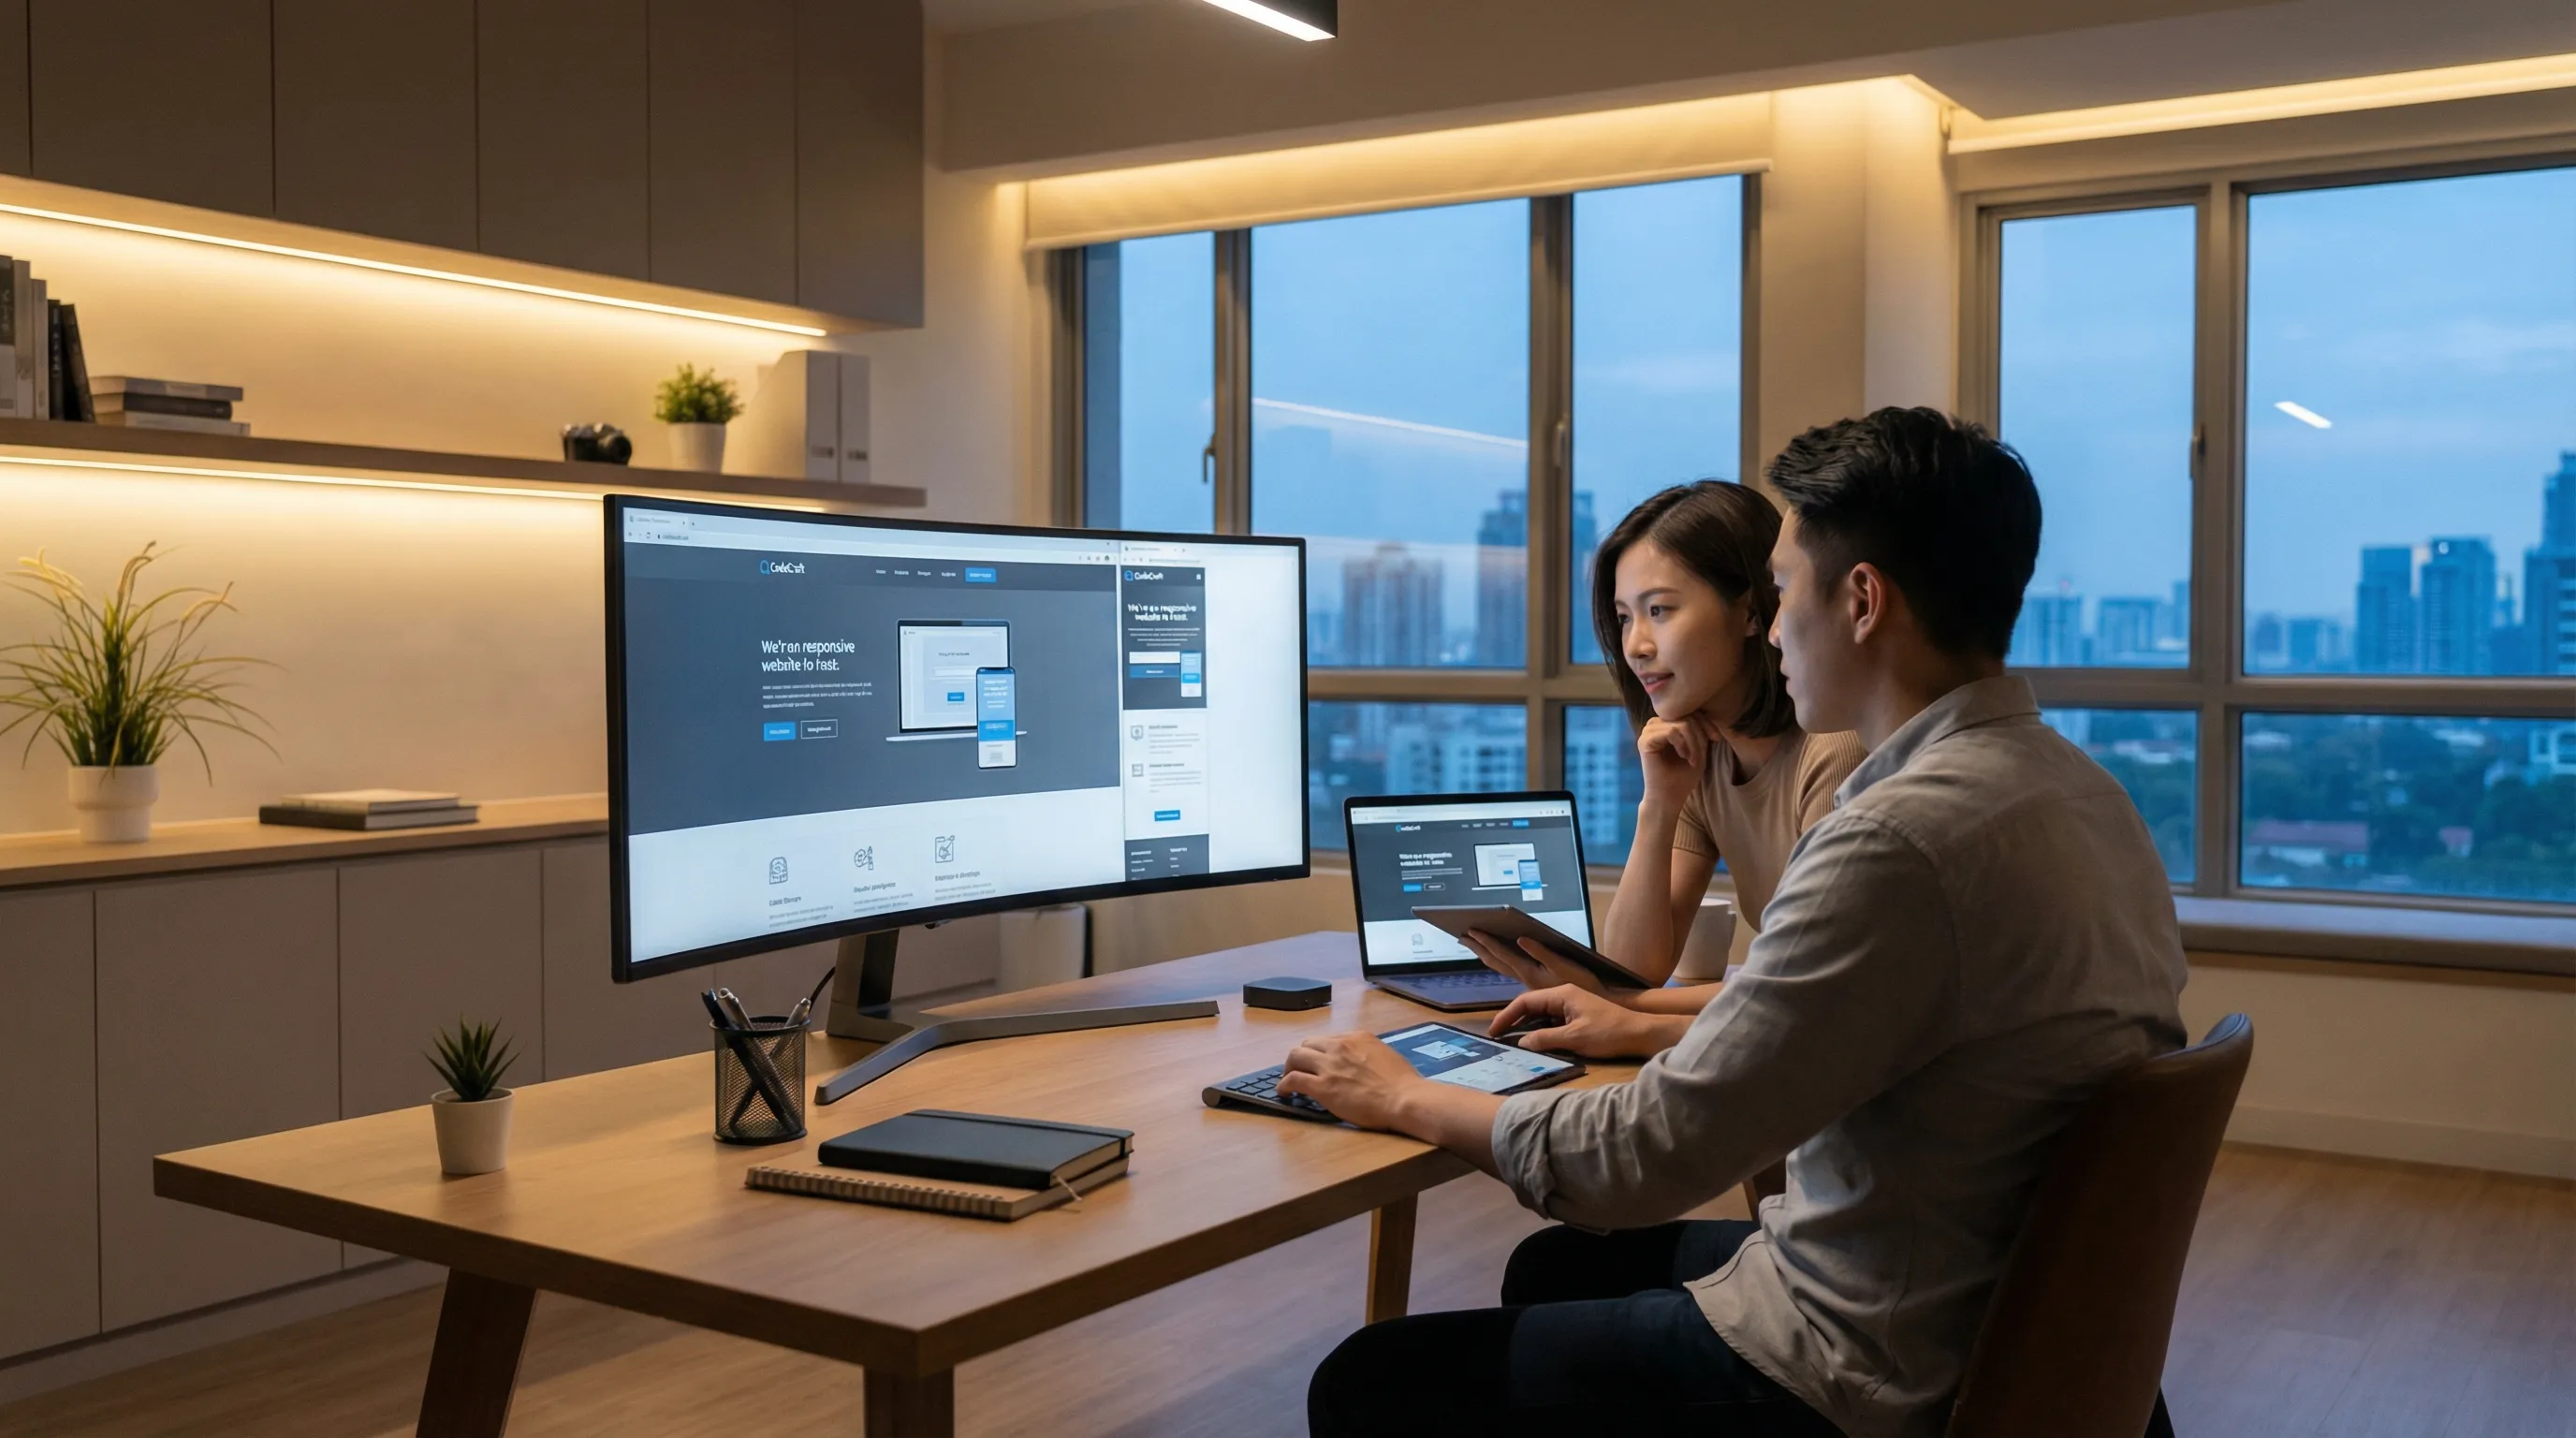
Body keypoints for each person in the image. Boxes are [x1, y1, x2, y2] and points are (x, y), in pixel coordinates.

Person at [1281, 407, 2189, 1438]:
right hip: (1999, 1297)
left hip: (1874, 1357)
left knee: (1368, 1382)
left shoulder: (1893, 835)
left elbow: (1644, 1158)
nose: (1769, 620)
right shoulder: (2083, 792)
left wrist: (1403, 1096)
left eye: (1783, 589)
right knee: (1557, 1268)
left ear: (1859, 601)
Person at [1470, 480, 1864, 1000]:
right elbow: (1637, 965)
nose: (1635, 646)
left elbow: (1810, 989)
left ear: (1751, 611)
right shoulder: (1706, 759)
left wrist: (1622, 1009)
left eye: (1659, 610)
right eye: (1625, 618)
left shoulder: (1835, 752)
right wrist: (1659, 802)